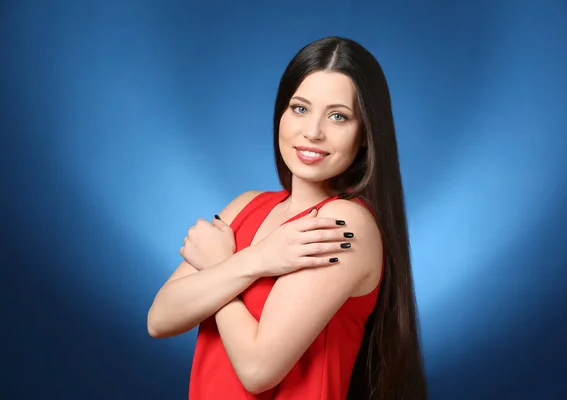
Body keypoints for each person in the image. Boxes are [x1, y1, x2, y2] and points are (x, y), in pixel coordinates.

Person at [147, 36, 427, 400]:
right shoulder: (246, 206)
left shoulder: (344, 225)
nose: (313, 131)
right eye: (299, 108)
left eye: (338, 116)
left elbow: (258, 369)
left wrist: (224, 264)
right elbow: (160, 318)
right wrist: (256, 260)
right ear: (281, 113)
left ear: (364, 136)